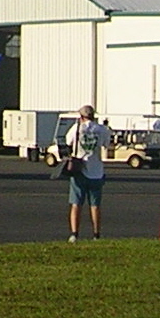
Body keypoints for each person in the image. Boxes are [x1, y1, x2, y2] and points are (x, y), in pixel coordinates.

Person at [65, 104, 110, 242]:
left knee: (76, 204)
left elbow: (68, 141)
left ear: (81, 117)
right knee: (95, 205)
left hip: (80, 170)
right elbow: (106, 144)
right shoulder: (101, 130)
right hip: (96, 171)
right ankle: (96, 234)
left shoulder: (77, 128)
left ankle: (74, 234)